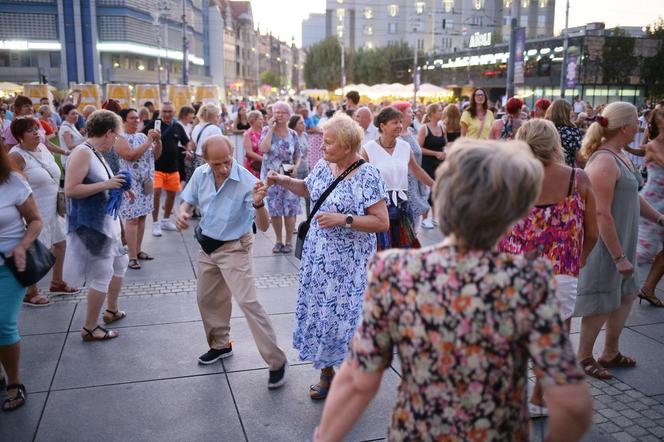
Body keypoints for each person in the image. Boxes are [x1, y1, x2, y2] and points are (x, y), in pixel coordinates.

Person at [314, 139, 593, 442]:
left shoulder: (395, 272)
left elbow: (358, 381)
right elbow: (573, 404)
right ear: (514, 211)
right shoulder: (529, 282)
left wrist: (323, 437)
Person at [266, 113, 389, 399]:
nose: (322, 146)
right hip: (319, 261)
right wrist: (281, 179)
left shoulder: (368, 175)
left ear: (347, 146)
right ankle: (327, 372)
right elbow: (307, 189)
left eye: (329, 143)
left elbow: (381, 222)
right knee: (323, 315)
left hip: (351, 265)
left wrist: (343, 219)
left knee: (346, 320)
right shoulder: (323, 165)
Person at [499, 119, 598, 417]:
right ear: (555, 144)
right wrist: (580, 258)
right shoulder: (577, 179)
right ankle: (540, 399)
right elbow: (592, 232)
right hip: (561, 271)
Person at [176, 135, 288, 388]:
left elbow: (264, 225)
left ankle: (276, 360)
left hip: (235, 247)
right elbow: (188, 200)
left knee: (248, 302)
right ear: (205, 160)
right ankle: (220, 344)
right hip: (208, 245)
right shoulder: (201, 174)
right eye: (217, 164)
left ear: (233, 154)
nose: (224, 168)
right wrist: (182, 212)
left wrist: (259, 204)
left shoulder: (248, 181)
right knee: (207, 298)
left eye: (227, 161)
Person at [575, 102, 664, 379]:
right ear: (625, 127)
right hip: (607, 245)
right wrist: (618, 257)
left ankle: (610, 351)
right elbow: (601, 212)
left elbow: (632, 196)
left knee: (625, 296)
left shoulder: (620, 155)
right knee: (601, 301)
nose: (640, 126)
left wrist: (659, 218)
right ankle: (585, 356)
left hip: (623, 239)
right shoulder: (603, 160)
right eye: (635, 122)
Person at [63, 110, 131, 340]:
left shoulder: (95, 152)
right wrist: (107, 184)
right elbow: (71, 190)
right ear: (108, 133)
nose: (116, 141)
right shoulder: (82, 152)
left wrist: (118, 187)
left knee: (120, 263)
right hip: (91, 225)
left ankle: (111, 309)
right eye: (116, 136)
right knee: (103, 274)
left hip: (106, 223)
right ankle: (90, 327)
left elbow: (106, 185)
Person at [9, 118, 80, 306]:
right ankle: (30, 293)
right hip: (34, 209)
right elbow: (10, 186)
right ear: (19, 137)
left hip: (53, 205)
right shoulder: (16, 156)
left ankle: (57, 282)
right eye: (30, 131)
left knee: (61, 242)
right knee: (35, 249)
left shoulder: (43, 148)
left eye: (36, 129)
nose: (36, 133)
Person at [0, 146, 43, 412]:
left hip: (10, 265)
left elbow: (36, 221)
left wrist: (22, 246)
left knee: (3, 322)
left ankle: (14, 381)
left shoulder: (13, 181)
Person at [363, 106, 434, 250]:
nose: (400, 126)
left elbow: (417, 171)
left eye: (401, 122)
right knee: (383, 251)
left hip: (402, 206)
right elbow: (359, 178)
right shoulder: (368, 149)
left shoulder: (404, 147)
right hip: (379, 208)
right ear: (382, 126)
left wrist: (436, 185)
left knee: (404, 251)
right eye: (395, 122)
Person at [116, 108, 162, 270]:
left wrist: (158, 141)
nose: (137, 121)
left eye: (137, 118)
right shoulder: (120, 138)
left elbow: (155, 156)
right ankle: (132, 256)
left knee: (142, 216)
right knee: (132, 218)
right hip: (131, 185)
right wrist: (149, 141)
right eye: (132, 118)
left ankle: (138, 250)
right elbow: (130, 156)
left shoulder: (142, 136)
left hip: (146, 182)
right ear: (123, 121)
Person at [142, 102, 192, 237]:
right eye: (164, 111)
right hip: (156, 167)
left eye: (170, 111)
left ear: (174, 112)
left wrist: (188, 151)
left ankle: (165, 220)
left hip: (173, 167)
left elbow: (187, 142)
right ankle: (155, 223)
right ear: (160, 112)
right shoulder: (153, 124)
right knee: (156, 193)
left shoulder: (177, 126)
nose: (167, 114)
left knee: (171, 195)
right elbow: (141, 138)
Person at [259, 101, 301, 254]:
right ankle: (278, 240)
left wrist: (296, 167)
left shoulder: (293, 134)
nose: (279, 115)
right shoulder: (266, 130)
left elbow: (298, 155)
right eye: (276, 112)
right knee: (275, 210)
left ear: (289, 115)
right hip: (271, 176)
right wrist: (270, 129)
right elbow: (263, 149)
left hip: (288, 175)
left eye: (283, 112)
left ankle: (289, 241)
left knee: (290, 209)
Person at [636, 108, 664, 307]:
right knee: (643, 250)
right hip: (653, 202)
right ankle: (613, 282)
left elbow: (639, 149)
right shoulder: (654, 145)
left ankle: (648, 288)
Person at [393, 102, 430, 233]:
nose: (412, 113)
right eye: (409, 112)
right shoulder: (395, 137)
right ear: (400, 115)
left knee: (415, 227)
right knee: (407, 230)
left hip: (417, 183)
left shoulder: (412, 131)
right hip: (404, 187)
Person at [2, 95, 67, 157]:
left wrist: (65, 152)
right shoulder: (13, 128)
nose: (30, 108)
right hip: (27, 164)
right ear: (17, 109)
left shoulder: (36, 121)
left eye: (31, 105)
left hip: (44, 158)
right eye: (26, 106)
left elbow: (47, 143)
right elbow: (10, 151)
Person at [546, 99, 583, 167]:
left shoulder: (546, 129)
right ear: (566, 113)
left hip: (546, 169)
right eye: (570, 111)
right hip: (566, 171)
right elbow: (580, 157)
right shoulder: (572, 131)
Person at [190, 104, 223, 181]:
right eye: (218, 116)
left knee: (201, 184)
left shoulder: (196, 127)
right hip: (210, 161)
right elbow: (219, 147)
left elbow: (192, 146)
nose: (219, 119)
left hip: (198, 160)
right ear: (214, 116)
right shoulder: (215, 129)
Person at [289, 114, 311, 216]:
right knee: (294, 198)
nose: (304, 124)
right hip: (295, 171)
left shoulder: (305, 135)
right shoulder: (291, 136)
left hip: (306, 169)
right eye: (301, 123)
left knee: (309, 197)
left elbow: (306, 154)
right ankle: (292, 224)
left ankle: (309, 221)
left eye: (303, 122)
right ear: (294, 125)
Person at [243, 110, 264, 179]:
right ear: (254, 120)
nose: (263, 121)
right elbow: (249, 152)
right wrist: (263, 159)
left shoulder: (264, 132)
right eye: (260, 119)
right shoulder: (248, 134)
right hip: (253, 167)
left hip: (263, 166)